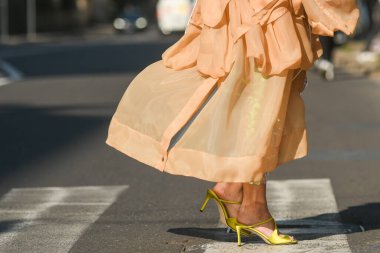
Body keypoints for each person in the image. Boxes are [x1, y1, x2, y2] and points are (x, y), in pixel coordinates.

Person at [106, 0, 359, 247]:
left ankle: (237, 190)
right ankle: (250, 205)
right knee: (264, 99)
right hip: (263, 12)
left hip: (249, 10)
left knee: (257, 99)